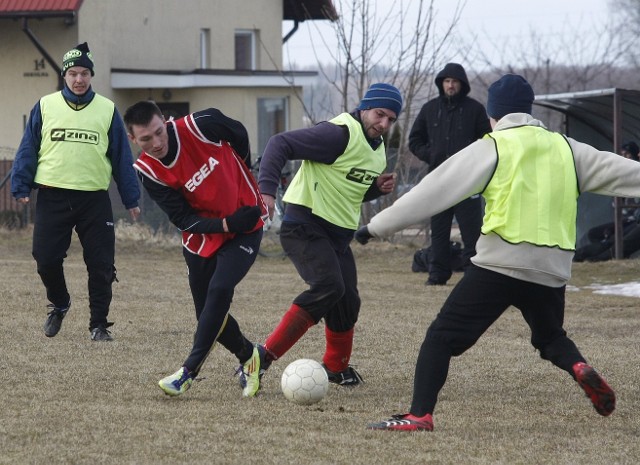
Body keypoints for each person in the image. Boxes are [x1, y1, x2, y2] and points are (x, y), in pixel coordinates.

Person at [355, 74, 640, 431]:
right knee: (550, 337)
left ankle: (419, 415)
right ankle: (578, 367)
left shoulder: (492, 146)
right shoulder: (569, 148)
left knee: (441, 339)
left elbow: (432, 191)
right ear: (529, 109)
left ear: (494, 115)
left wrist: (374, 227)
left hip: (500, 264)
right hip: (550, 270)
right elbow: (628, 174)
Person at [255, 83, 402, 388]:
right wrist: (266, 190)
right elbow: (278, 143)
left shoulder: (377, 149)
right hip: (305, 225)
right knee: (328, 286)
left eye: (391, 119)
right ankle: (260, 358)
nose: (384, 123)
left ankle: (335, 368)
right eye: (379, 114)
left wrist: (376, 189)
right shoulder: (338, 133)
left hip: (337, 236)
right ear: (364, 108)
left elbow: (348, 188)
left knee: (347, 299)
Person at [124, 100, 267, 397]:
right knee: (208, 315)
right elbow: (184, 219)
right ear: (133, 139)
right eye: (146, 139)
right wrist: (227, 224)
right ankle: (249, 356)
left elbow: (239, 134)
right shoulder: (147, 170)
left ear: (165, 121)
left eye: (159, 132)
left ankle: (187, 372)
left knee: (219, 290)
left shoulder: (202, 124)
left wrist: (243, 175)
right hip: (203, 239)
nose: (157, 142)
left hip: (246, 224)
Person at [11, 42, 140, 342]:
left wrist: (131, 197)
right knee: (45, 259)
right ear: (64, 76)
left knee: (101, 264)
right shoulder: (45, 106)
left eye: (84, 73)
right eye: (73, 73)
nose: (79, 79)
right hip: (53, 196)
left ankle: (99, 325)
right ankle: (60, 303)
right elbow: (28, 149)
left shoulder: (107, 110)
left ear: (91, 75)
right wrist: (20, 185)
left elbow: (122, 158)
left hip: (94, 199)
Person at [408, 63, 491, 285]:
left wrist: (474, 161)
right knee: (439, 231)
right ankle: (437, 275)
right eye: (446, 81)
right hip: (439, 179)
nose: (450, 85)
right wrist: (431, 154)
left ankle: (474, 275)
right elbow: (414, 140)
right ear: (441, 84)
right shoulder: (429, 109)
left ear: (462, 84)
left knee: (471, 231)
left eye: (454, 81)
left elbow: (489, 141)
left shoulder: (475, 110)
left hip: (467, 181)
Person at [574, 141, 640, 262]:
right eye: (622, 154)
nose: (624, 157)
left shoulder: (635, 173)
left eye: (627, 154)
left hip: (633, 221)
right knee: (597, 235)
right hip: (631, 220)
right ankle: (584, 257)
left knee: (618, 243)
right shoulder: (623, 174)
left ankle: (592, 260)